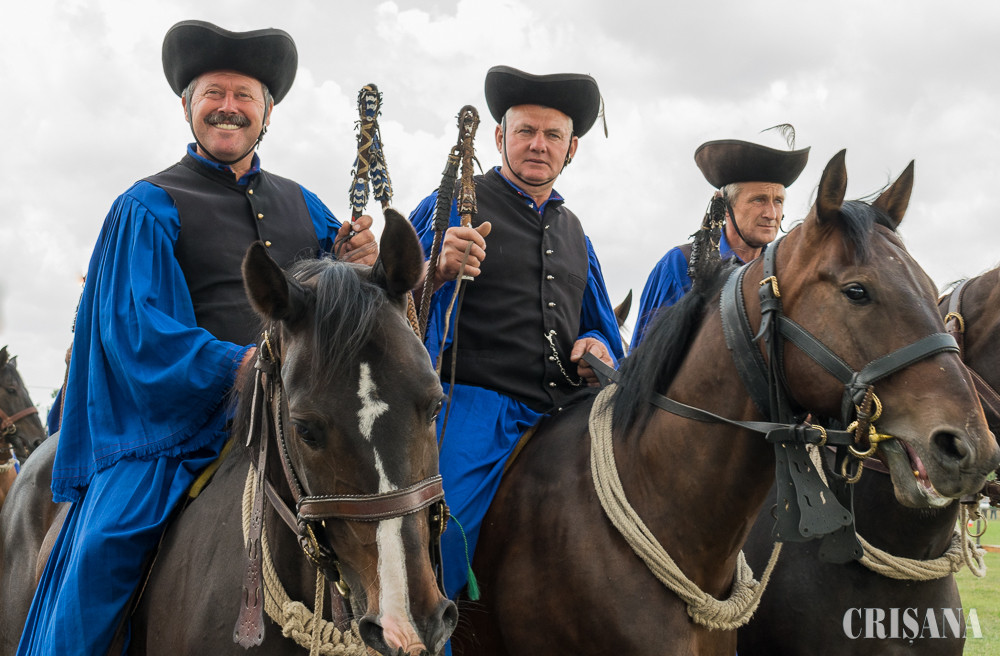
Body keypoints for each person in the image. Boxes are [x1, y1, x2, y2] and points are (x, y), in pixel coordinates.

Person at [17, 20, 376, 655]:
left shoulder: (308, 207)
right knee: (105, 553)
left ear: (268, 113)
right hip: (177, 431)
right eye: (214, 93)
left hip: (296, 420)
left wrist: (357, 265)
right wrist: (242, 366)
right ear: (187, 106)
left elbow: (341, 321)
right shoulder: (147, 206)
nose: (228, 107)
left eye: (245, 95)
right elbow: (139, 332)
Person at [408, 65, 624, 600]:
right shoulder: (451, 206)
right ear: (500, 137)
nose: (538, 145)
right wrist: (435, 271)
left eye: (553, 135)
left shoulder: (577, 235)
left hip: (567, 412)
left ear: (572, 148)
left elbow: (598, 324)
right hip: (474, 405)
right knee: (438, 535)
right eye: (525, 131)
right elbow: (388, 300)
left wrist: (597, 343)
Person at [631, 137, 809, 348]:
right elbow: (643, 358)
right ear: (725, 207)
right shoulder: (680, 264)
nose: (771, 214)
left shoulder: (785, 273)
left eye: (778, 201)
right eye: (758, 200)